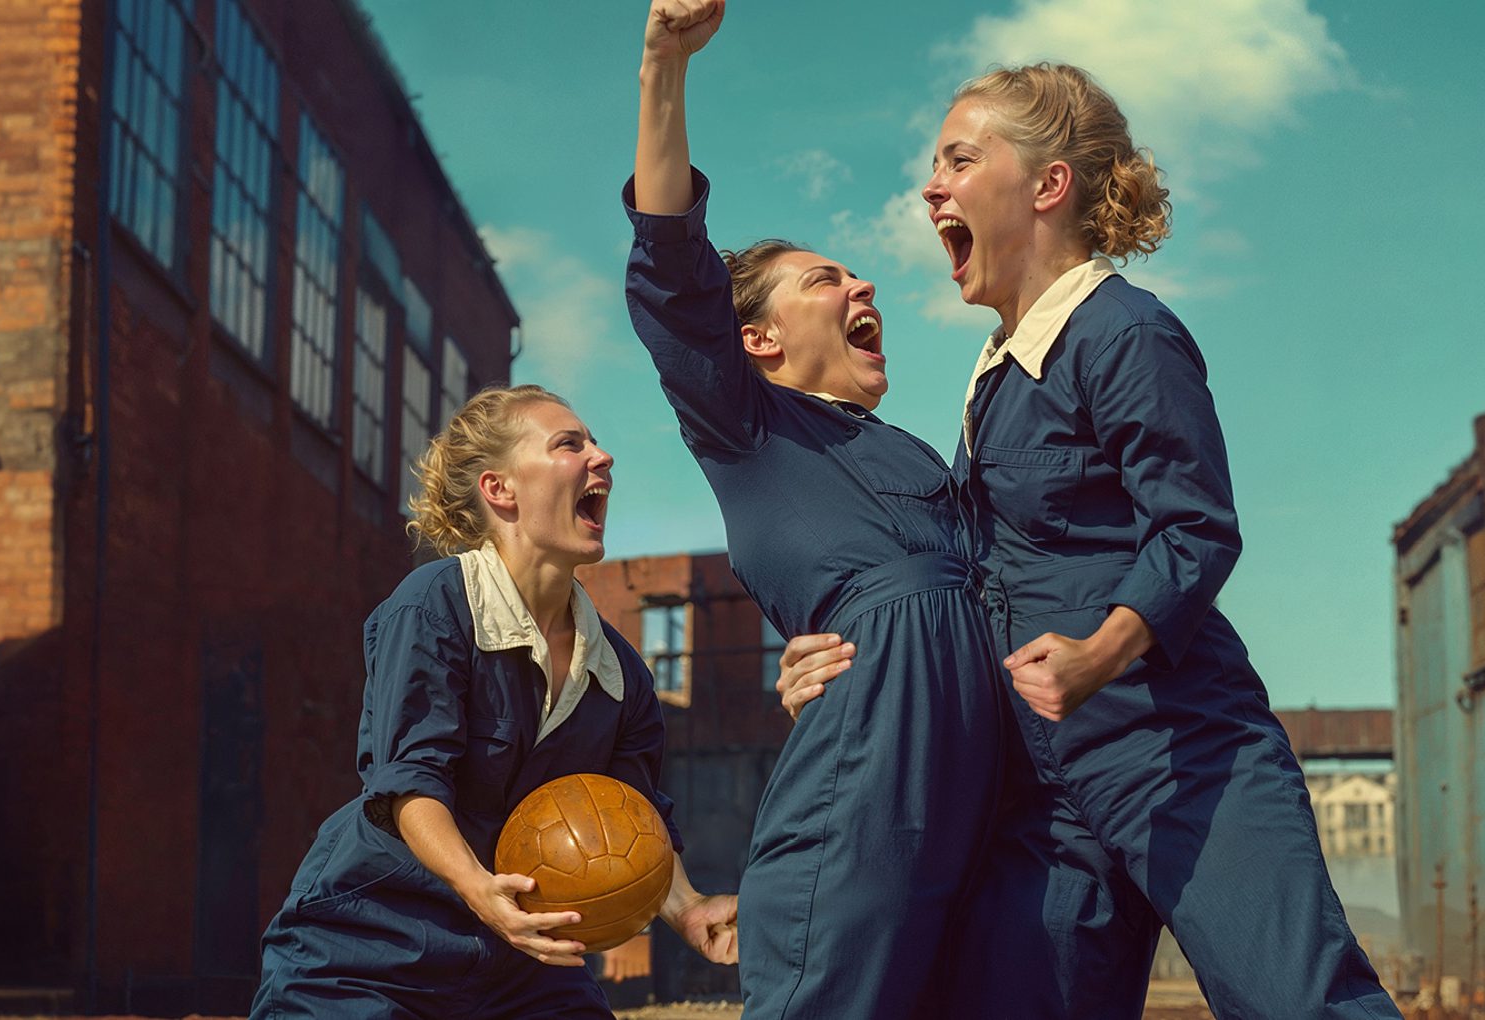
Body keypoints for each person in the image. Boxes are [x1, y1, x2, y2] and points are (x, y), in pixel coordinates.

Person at [781, 64, 1402, 1018]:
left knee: (1301, 1004)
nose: (930, 185)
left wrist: (1098, 653)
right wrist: (832, 670)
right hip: (1049, 792)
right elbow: (955, 578)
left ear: (1046, 184)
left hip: (1180, 752)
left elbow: (1196, 531)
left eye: (959, 158)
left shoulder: (1122, 332)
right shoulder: (996, 377)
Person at [624, 2, 1008, 1017]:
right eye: (824, 278)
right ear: (754, 338)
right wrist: (664, 63)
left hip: (983, 785)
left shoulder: (925, 454)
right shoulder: (746, 424)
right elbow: (670, 259)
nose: (863, 280)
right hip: (867, 777)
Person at [251, 385, 738, 1020]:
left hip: (523, 968)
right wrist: (480, 889)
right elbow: (409, 783)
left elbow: (630, 820)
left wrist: (687, 907)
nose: (604, 456)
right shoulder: (433, 605)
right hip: (371, 946)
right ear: (500, 489)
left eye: (594, 441)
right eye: (570, 443)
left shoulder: (623, 676)